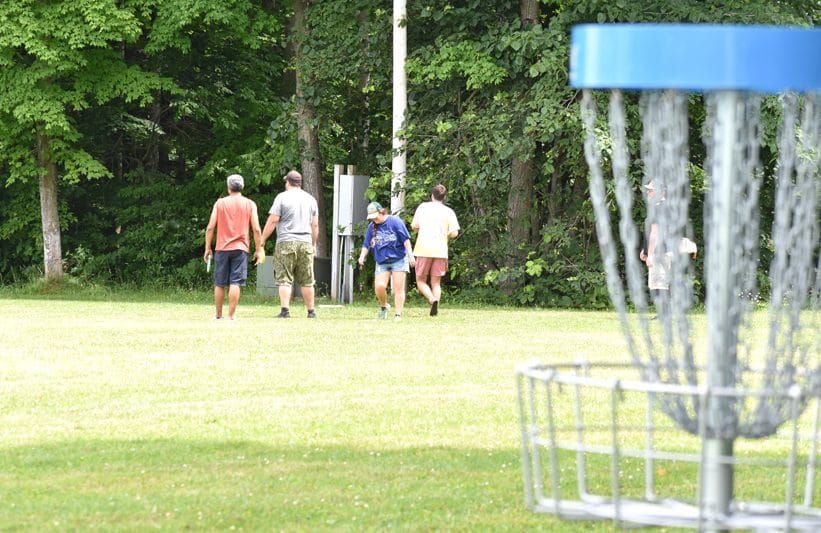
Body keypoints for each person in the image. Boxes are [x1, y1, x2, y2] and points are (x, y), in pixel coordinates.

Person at [203, 174, 264, 320]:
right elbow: (256, 229)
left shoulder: (220, 203)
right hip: (241, 248)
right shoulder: (250, 204)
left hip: (222, 248)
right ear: (242, 187)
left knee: (219, 283)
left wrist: (207, 247)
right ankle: (231, 316)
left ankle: (218, 316)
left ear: (228, 187)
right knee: (235, 282)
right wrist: (259, 248)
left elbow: (210, 227)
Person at [260, 170, 319, 318]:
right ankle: (311, 311)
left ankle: (285, 310)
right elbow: (315, 225)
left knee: (284, 278)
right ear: (300, 183)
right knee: (307, 279)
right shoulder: (310, 199)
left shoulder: (282, 197)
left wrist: (262, 239)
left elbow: (273, 220)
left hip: (286, 242)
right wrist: (313, 243)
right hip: (305, 242)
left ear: (288, 182)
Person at [357, 202, 416, 321]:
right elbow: (366, 244)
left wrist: (411, 255)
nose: (374, 219)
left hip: (398, 258)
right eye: (372, 218)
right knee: (379, 287)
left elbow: (406, 240)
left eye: (375, 216)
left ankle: (398, 314)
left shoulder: (395, 221)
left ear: (381, 212)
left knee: (398, 288)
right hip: (382, 261)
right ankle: (384, 306)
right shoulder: (372, 227)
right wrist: (362, 256)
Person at [411, 184, 459, 316]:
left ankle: (432, 300)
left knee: (420, 280)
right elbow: (454, 233)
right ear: (444, 197)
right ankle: (436, 302)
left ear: (432, 195)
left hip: (423, 249)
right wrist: (445, 235)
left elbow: (414, 226)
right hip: (441, 251)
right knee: (436, 283)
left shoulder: (423, 207)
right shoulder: (449, 211)